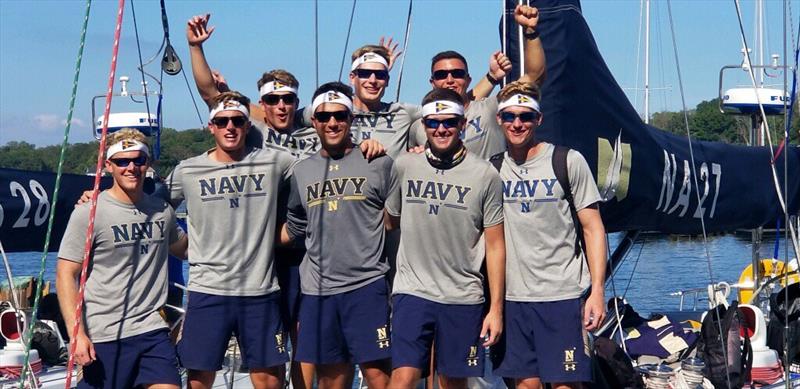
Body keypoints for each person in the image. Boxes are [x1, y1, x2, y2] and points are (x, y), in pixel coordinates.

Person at [167, 91, 294, 389]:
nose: (230, 127)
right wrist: (181, 246)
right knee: (199, 378)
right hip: (207, 290)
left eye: (237, 120)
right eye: (222, 121)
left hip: (260, 291)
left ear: (248, 125)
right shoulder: (187, 170)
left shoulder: (276, 162)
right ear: (210, 126)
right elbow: (152, 209)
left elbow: (319, 172)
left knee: (268, 379)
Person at [489, 81, 608, 389]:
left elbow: (593, 228)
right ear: (499, 119)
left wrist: (597, 291)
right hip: (513, 298)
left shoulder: (567, 161)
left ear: (538, 120)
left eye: (526, 116)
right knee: (525, 385)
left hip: (562, 296)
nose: (518, 123)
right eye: (510, 116)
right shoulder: (492, 170)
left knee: (565, 385)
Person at [385, 88, 506, 389]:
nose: (441, 129)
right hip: (412, 291)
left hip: (462, 295)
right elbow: (390, 220)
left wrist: (496, 310)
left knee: (452, 382)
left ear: (463, 123)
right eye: (433, 123)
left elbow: (495, 245)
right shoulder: (404, 165)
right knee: (402, 378)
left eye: (449, 122)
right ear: (423, 126)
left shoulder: (485, 175)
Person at [280, 82, 395, 389]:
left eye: (340, 115)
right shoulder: (301, 171)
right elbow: (295, 225)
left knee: (378, 376)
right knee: (332, 378)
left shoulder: (379, 162)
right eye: (325, 116)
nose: (333, 123)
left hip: (367, 285)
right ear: (314, 121)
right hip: (318, 290)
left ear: (351, 118)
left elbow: (397, 219)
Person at [57, 128, 188, 389]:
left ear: (147, 163)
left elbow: (184, 249)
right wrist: (77, 334)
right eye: (122, 161)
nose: (131, 167)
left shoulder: (162, 211)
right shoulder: (89, 213)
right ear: (109, 166)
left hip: (153, 331)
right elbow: (65, 274)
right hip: (106, 333)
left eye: (138, 160)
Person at [412, 4, 546, 160]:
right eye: (441, 75)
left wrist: (531, 31)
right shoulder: (419, 127)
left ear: (468, 80)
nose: (450, 80)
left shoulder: (489, 110)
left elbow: (535, 76)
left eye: (457, 74)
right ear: (432, 82)